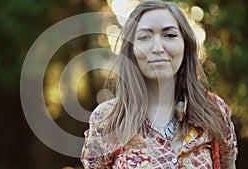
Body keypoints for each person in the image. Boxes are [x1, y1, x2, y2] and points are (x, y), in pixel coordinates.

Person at [81, 0, 238, 168]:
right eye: (144, 37)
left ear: (185, 45)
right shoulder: (106, 119)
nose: (157, 48)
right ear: (131, 50)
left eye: (169, 35)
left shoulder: (214, 111)